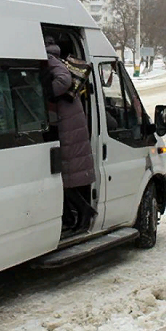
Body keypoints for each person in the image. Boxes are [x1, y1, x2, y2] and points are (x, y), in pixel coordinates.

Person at [44, 36, 97, 233]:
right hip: (71, 121)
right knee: (65, 177)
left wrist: (45, 93)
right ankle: (70, 217)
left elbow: (64, 80)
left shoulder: (50, 60)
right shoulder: (55, 58)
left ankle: (85, 211)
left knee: (66, 177)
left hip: (68, 125)